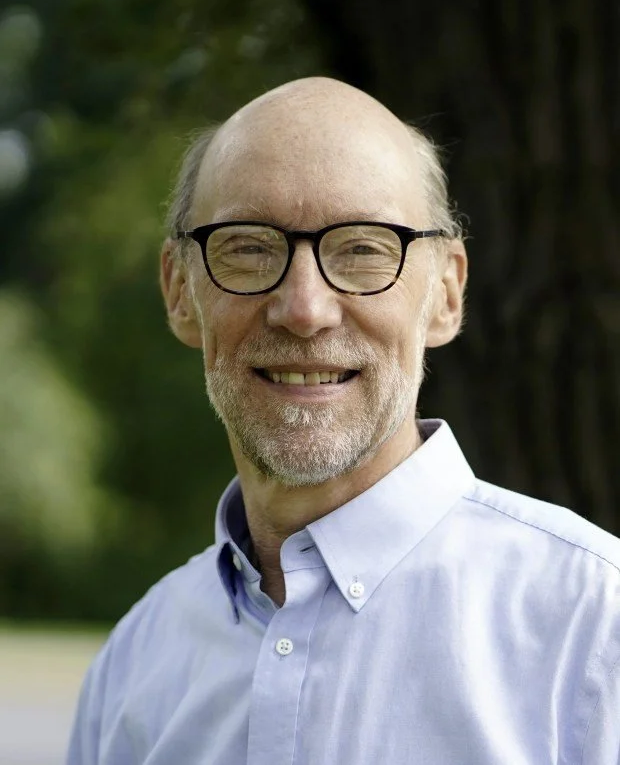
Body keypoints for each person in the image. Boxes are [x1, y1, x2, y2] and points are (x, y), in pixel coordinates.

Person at [67, 77, 620, 765]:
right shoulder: (134, 663)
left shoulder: (595, 628)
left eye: (362, 249)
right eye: (249, 247)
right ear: (180, 292)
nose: (304, 309)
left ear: (446, 294)